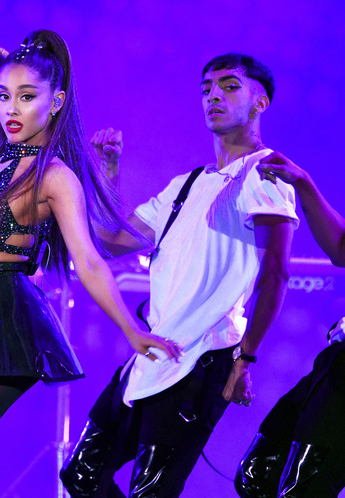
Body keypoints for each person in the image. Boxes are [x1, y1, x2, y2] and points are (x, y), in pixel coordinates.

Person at [0, 30, 181, 497]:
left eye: (26, 97)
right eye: (5, 97)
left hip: (7, 325)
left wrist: (130, 329)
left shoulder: (55, 175)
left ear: (56, 101)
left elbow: (88, 257)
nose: (11, 109)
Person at [60, 53, 299, 498]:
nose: (214, 95)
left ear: (260, 102)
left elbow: (276, 274)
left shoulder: (266, 175)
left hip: (203, 360)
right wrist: (108, 172)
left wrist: (245, 360)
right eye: (207, 87)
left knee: (151, 491)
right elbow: (112, 241)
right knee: (80, 475)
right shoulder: (185, 184)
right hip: (151, 354)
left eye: (229, 86)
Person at [234, 153, 345, 497]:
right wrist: (302, 180)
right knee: (257, 475)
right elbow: (341, 248)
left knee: (302, 490)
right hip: (337, 359)